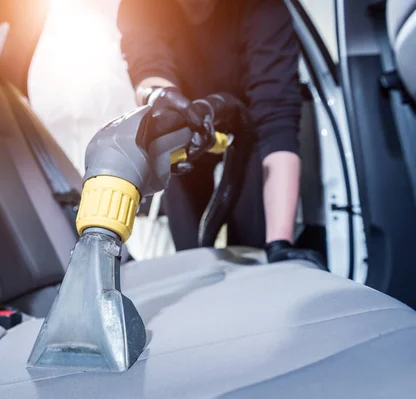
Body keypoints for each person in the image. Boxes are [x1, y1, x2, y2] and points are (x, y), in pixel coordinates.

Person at [117, 0, 325, 266]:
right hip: (187, 131)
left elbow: (278, 120)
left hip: (246, 134)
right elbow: (149, 65)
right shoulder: (141, 6)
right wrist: (160, 97)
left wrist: (280, 244)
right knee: (191, 256)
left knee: (253, 252)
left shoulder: (265, 8)